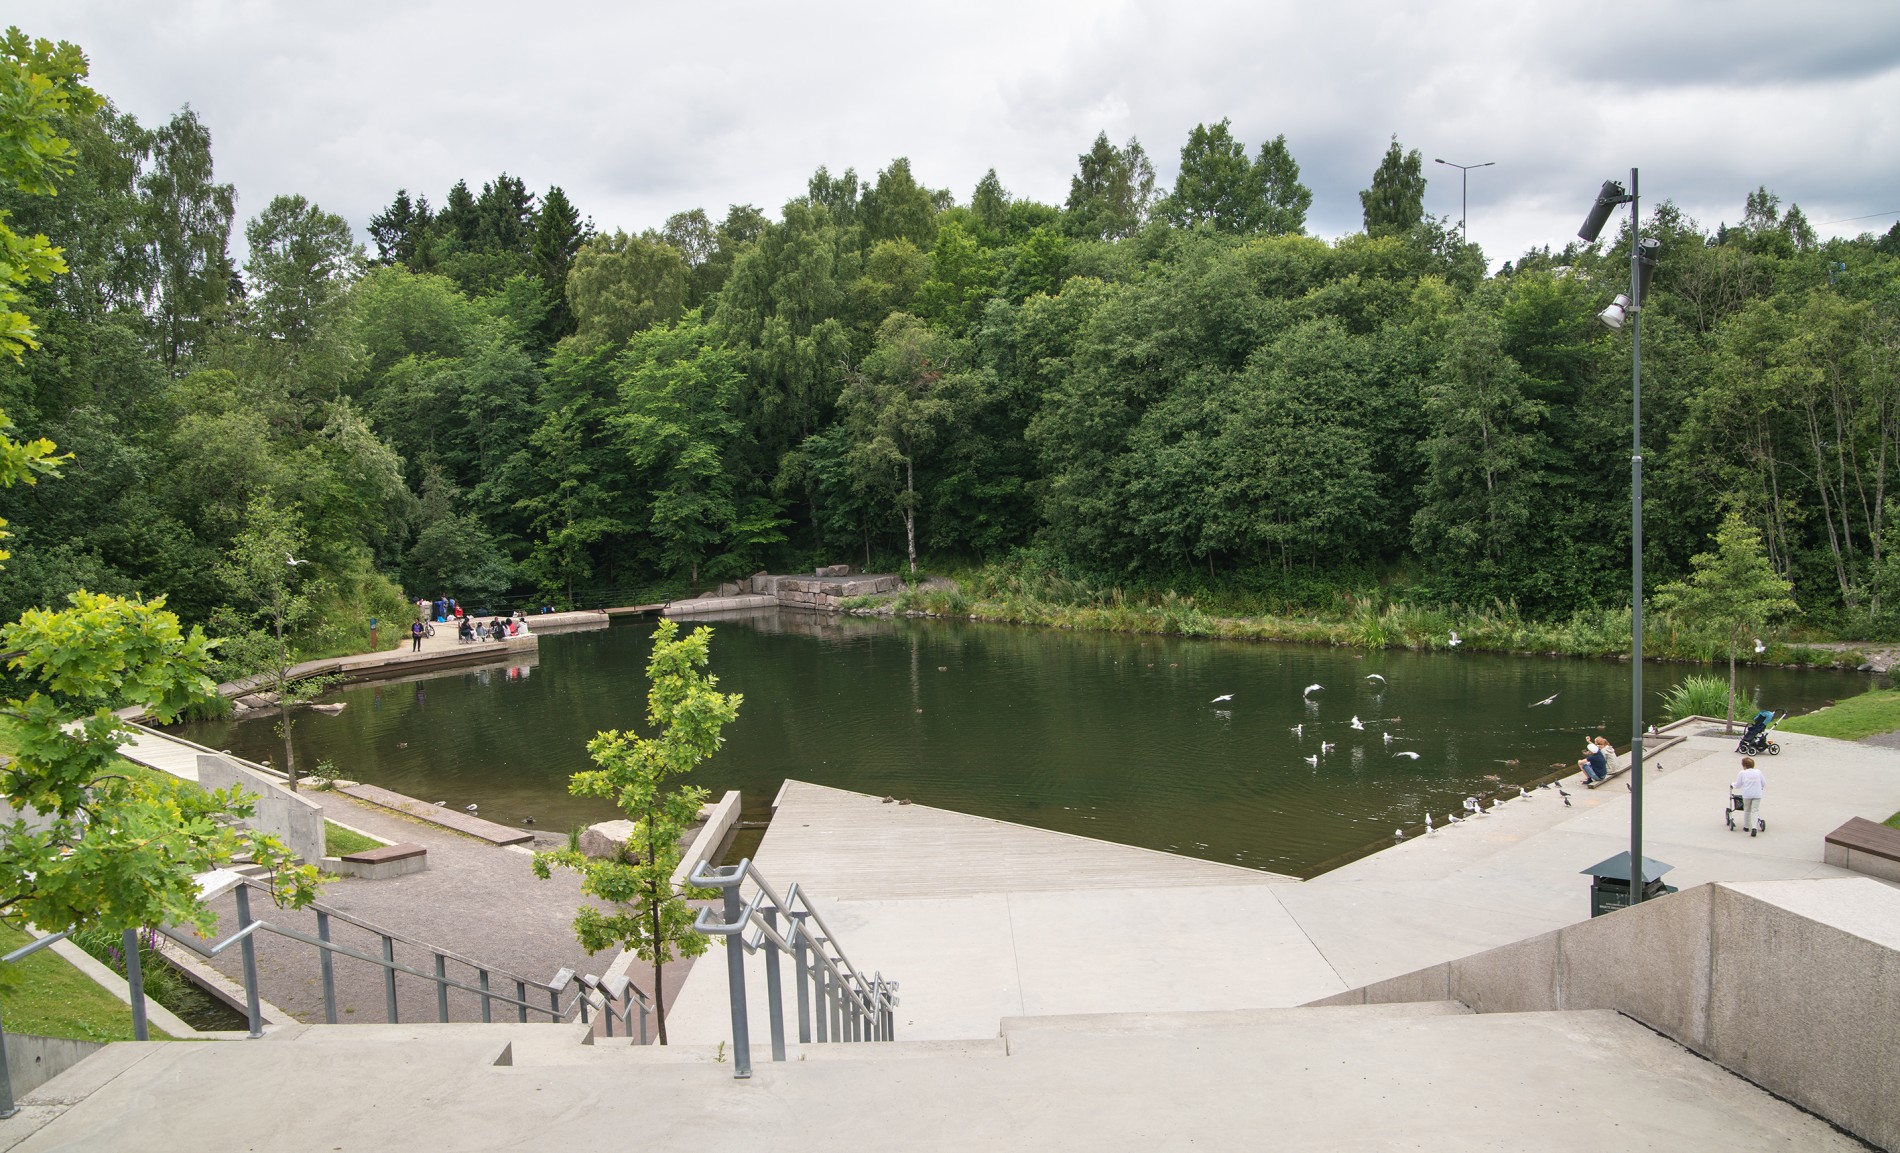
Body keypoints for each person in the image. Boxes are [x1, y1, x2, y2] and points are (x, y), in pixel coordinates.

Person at [1732, 756, 1766, 836]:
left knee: (1747, 810)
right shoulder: (1758, 772)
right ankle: (1754, 827)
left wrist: (1732, 784)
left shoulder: (1742, 773)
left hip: (1747, 794)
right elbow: (1763, 783)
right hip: (1757, 794)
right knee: (1755, 810)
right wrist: (1760, 788)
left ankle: (1746, 826)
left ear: (1744, 765)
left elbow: (1738, 785)